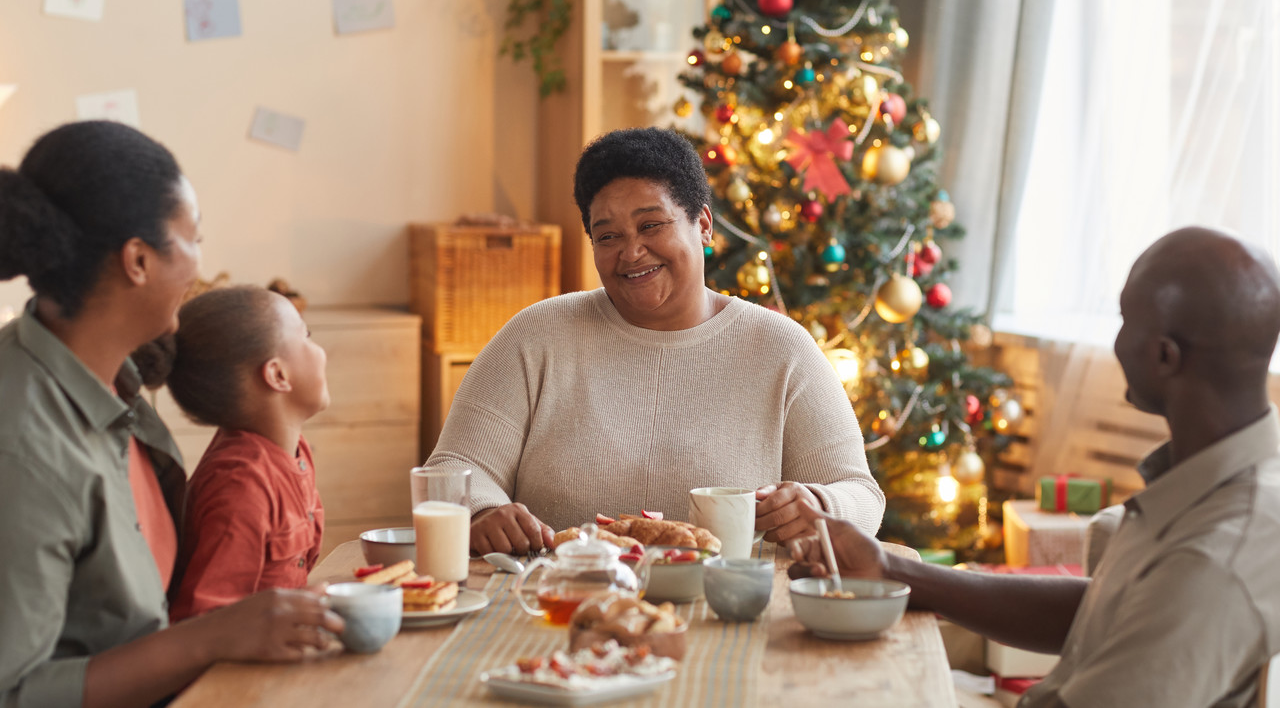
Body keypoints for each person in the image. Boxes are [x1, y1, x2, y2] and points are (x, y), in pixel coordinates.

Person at [790, 226, 1280, 708]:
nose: (1116, 340)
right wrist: (891, 569)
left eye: (1125, 320)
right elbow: (1104, 611)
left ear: (1163, 356)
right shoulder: (1213, 477)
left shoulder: (1214, 561)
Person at [0, 122, 342, 708]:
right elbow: (18, 691)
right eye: (195, 239)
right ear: (138, 260)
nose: (201, 264)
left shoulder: (120, 383)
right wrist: (209, 637)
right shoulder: (26, 451)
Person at [426, 126, 885, 555]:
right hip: (560, 606)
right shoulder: (536, 336)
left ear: (703, 224)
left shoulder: (780, 349)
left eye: (651, 225)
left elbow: (862, 495)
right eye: (608, 236)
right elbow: (449, 471)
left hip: (724, 612)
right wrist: (482, 513)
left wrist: (823, 506)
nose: (631, 252)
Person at [134, 285, 329, 621]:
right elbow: (204, 620)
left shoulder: (295, 455)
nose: (321, 350)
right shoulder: (242, 485)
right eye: (306, 335)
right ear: (277, 375)